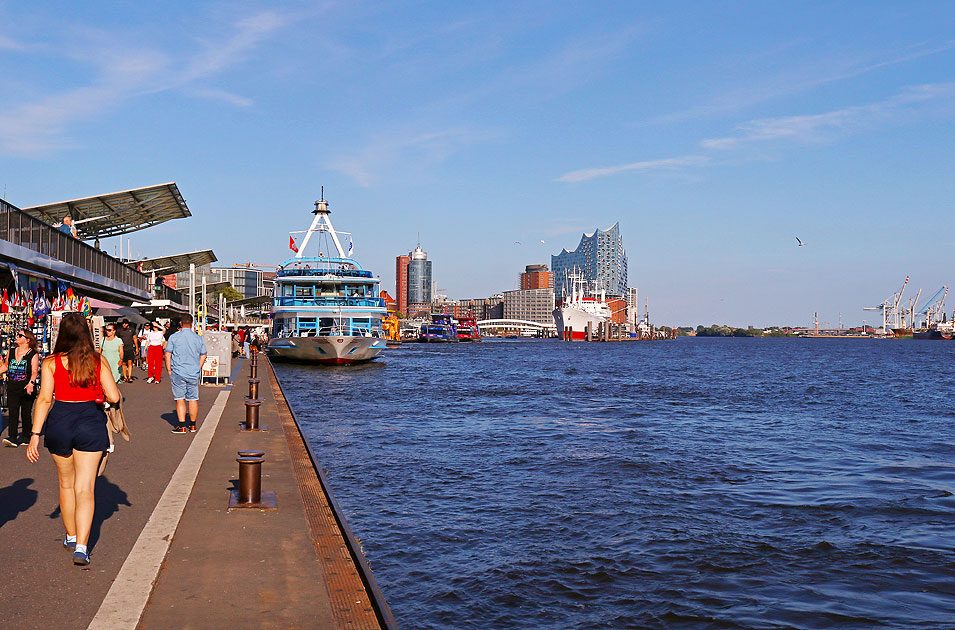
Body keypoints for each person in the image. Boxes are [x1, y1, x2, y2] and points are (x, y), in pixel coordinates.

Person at [26, 312, 121, 566]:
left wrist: (35, 434)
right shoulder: (97, 361)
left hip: (60, 422)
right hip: (90, 421)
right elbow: (113, 396)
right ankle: (82, 547)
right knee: (85, 488)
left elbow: (44, 399)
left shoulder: (51, 362)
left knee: (66, 484)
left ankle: (70, 535)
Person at [164, 314, 207, 434]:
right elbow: (203, 354)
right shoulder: (198, 338)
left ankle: (182, 426)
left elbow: (168, 354)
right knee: (193, 399)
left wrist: (169, 370)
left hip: (178, 371)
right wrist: (198, 367)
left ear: (181, 324)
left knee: (180, 399)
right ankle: (193, 425)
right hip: (193, 372)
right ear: (192, 324)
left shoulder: (174, 337)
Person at [0, 328, 40, 447]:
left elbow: (34, 371)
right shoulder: (11, 352)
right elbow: (6, 366)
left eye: (20, 335)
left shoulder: (33, 354)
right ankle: (12, 437)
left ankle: (26, 437)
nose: (17, 337)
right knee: (13, 412)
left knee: (26, 413)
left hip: (27, 388)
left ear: (27, 340)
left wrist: (31, 383)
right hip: (13, 387)